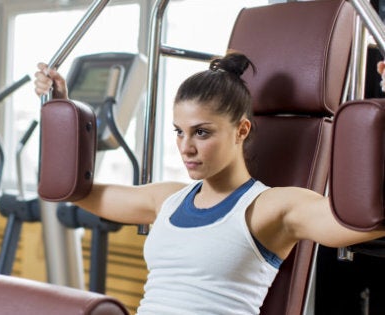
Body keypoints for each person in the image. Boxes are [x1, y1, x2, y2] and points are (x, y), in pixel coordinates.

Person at [34, 52, 385, 314]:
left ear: (241, 130)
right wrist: (60, 106)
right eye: (179, 132)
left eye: (202, 132)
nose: (186, 147)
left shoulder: (271, 207)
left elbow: (359, 221)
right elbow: (76, 190)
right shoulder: (166, 199)